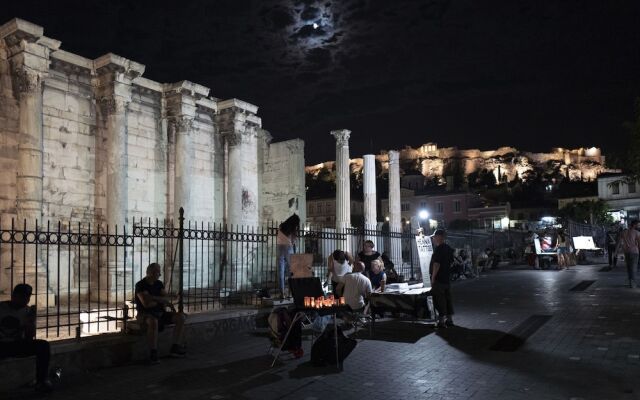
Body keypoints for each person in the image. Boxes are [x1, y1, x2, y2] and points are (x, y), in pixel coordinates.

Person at [0, 284, 52, 392]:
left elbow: (29, 337)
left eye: (28, 297)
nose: (26, 300)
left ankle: (42, 381)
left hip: (17, 344)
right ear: (14, 296)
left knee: (43, 346)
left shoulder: (27, 311)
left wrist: (31, 322)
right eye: (23, 297)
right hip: (1, 345)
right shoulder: (1, 308)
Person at [135, 263, 187, 364]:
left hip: (160, 313)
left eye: (159, 272)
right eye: (157, 272)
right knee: (153, 321)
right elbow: (146, 304)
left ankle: (175, 347)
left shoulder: (159, 284)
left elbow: (166, 297)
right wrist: (161, 300)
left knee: (181, 317)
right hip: (144, 314)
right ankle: (153, 353)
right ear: (150, 273)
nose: (159, 274)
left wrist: (155, 298)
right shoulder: (140, 285)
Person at [429, 229, 455, 328]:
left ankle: (441, 321)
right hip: (446, 278)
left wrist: (433, 277)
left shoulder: (439, 249)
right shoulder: (448, 248)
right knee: (448, 298)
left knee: (439, 299)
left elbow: (436, 264)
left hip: (439, 279)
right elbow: (452, 262)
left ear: (440, 237)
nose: (434, 238)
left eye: (435, 236)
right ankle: (449, 319)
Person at [276, 214, 300, 299]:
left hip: (279, 248)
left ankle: (282, 293)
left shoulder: (282, 226)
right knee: (291, 272)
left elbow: (278, 237)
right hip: (288, 248)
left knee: (281, 272)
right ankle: (290, 292)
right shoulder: (293, 228)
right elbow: (293, 241)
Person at [616, 220, 640, 288]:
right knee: (634, 268)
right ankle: (633, 283)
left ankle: (630, 282)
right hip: (635, 252)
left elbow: (619, 243)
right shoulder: (637, 233)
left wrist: (616, 252)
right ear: (634, 225)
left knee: (629, 268)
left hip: (627, 252)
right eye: (638, 225)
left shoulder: (623, 232)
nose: (639, 226)